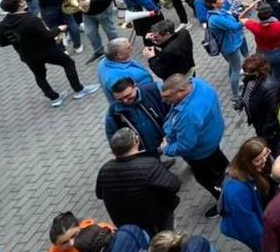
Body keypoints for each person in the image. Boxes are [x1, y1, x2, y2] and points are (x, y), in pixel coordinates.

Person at [0, 0, 99, 106]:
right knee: (68, 63)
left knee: (39, 75)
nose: (24, 0)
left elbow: (3, 43)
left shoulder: (2, 26)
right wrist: (59, 29)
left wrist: (19, 41)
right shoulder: (32, 20)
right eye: (21, 0)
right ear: (20, 5)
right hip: (46, 50)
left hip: (27, 55)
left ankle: (54, 98)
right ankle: (78, 89)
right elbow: (47, 36)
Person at [160, 74, 228, 215]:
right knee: (223, 168)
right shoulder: (198, 84)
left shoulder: (189, 114)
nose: (164, 100)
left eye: (168, 96)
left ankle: (225, 204)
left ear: (181, 91)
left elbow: (185, 145)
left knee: (208, 179)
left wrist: (166, 148)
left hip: (201, 153)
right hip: (212, 140)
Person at [94, 128, 181, 236]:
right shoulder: (149, 165)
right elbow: (174, 185)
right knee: (165, 240)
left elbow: (99, 194)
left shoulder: (105, 169)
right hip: (155, 219)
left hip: (125, 222)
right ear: (137, 141)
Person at [221, 138, 271, 252]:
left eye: (266, 155)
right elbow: (251, 229)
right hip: (247, 228)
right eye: (259, 160)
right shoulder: (237, 192)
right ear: (248, 162)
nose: (264, 161)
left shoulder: (247, 170)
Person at [105, 77, 168, 157]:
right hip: (142, 148)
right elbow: (112, 133)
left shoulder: (153, 91)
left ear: (135, 87)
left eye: (128, 95)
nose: (125, 101)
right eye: (120, 99)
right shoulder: (114, 110)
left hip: (163, 137)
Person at [240, 56, 280, 152]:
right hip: (258, 123)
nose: (243, 74)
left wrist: (266, 131)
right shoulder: (251, 79)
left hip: (267, 130)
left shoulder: (270, 88)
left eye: (247, 72)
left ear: (257, 73)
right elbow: (247, 91)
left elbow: (273, 113)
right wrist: (242, 102)